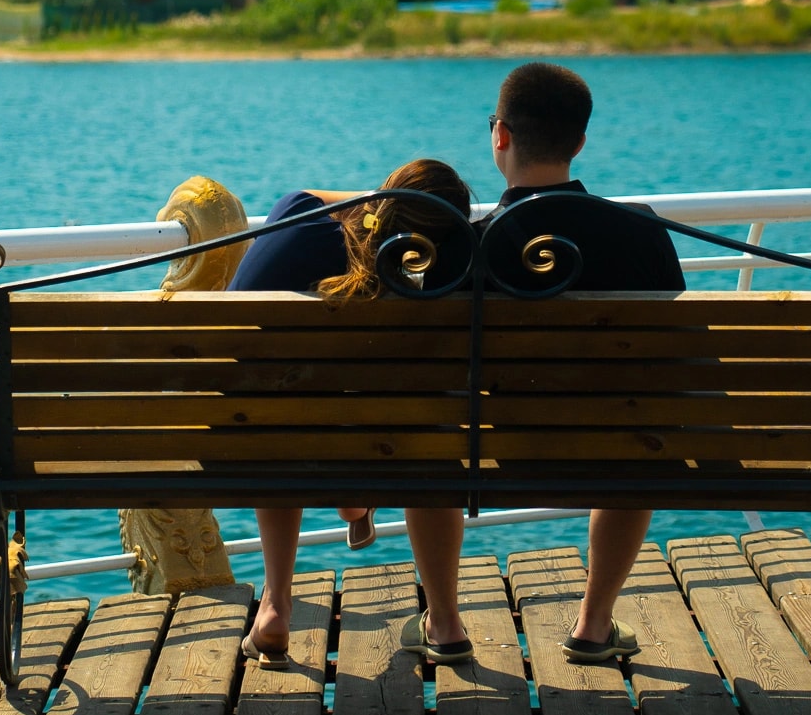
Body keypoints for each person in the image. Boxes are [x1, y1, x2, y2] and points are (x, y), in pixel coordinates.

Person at [237, 158, 477, 668]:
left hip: (246, 434)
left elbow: (312, 195)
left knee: (276, 424)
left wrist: (383, 199)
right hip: (376, 442)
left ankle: (275, 608)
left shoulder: (298, 213)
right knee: (430, 441)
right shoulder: (431, 285)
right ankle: (445, 624)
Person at [483, 60, 684, 665]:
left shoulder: (474, 242)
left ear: (501, 135)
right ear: (580, 142)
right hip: (622, 445)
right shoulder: (640, 230)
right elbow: (676, 355)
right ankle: (594, 625)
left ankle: (444, 624)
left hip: (491, 450)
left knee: (432, 435)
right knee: (637, 435)